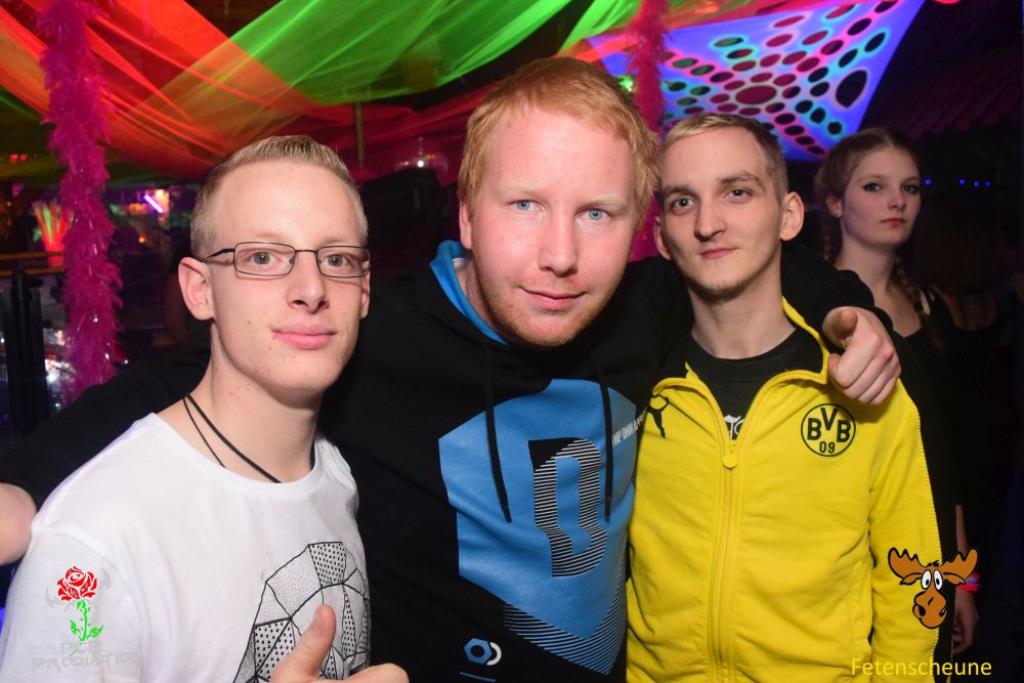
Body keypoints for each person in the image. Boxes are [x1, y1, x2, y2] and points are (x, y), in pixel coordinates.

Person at [0, 59, 898, 682]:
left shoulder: (643, 309)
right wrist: (28, 482)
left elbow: (747, 259)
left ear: (640, 228)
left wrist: (846, 311)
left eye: (596, 213)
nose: (559, 254)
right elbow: (187, 378)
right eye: (524, 205)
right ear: (467, 216)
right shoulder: (374, 328)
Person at [0, 137, 404, 683]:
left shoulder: (334, 473)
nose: (311, 289)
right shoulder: (96, 542)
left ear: (364, 290)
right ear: (199, 290)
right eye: (262, 257)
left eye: (336, 259)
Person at [626, 114, 956, 681]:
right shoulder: (635, 387)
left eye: (737, 192)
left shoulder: (863, 379)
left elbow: (914, 581)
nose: (708, 223)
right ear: (661, 237)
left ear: (790, 216)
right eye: (683, 202)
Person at [816, 128, 979, 653]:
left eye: (909, 188)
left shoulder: (931, 307)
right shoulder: (812, 312)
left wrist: (961, 578)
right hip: (841, 554)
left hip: (924, 547)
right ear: (834, 203)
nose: (897, 201)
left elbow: (943, 457)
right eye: (874, 186)